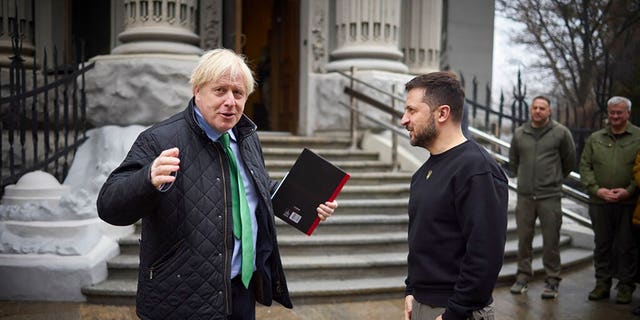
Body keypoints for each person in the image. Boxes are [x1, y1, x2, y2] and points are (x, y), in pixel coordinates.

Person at [96, 48, 337, 320]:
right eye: (220, 90)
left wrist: (309, 203)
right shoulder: (159, 139)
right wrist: (147, 178)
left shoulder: (246, 137)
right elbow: (108, 205)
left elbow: (253, 189)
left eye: (238, 93)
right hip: (182, 299)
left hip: (241, 291)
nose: (230, 102)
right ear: (197, 91)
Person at [400, 71, 508, 320]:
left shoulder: (477, 170)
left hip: (456, 311)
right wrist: (411, 290)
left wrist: (455, 314)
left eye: (412, 111)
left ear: (442, 113)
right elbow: (423, 241)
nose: (403, 120)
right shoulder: (422, 173)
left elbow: (485, 257)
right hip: (420, 305)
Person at [508, 96, 577, 299]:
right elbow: (513, 162)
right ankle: (522, 277)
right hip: (525, 197)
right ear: (531, 110)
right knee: (524, 241)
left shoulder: (561, 133)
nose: (538, 111)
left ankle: (552, 281)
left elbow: (569, 161)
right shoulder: (520, 133)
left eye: (542, 108)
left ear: (549, 111)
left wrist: (553, 179)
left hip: (550, 196)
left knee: (551, 241)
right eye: (535, 107)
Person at [580, 96, 640, 305]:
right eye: (612, 112)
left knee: (627, 246)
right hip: (600, 203)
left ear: (628, 114)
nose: (615, 116)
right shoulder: (595, 138)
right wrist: (597, 190)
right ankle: (602, 284)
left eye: (619, 112)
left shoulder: (638, 137)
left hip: (627, 203)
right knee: (602, 245)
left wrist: (629, 190)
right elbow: (584, 166)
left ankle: (625, 287)